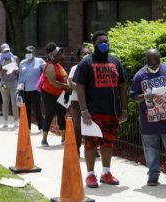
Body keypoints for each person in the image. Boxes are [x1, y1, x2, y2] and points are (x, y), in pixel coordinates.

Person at [73, 30, 127, 188]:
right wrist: (84, 111)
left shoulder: (115, 61)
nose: (105, 44)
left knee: (108, 143)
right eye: (101, 42)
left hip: (112, 112)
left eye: (106, 41)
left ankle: (106, 173)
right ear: (95, 45)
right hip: (93, 113)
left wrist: (124, 109)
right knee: (90, 144)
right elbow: (80, 87)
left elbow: (122, 86)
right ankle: (90, 175)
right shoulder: (86, 62)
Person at [130, 49, 166, 186]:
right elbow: (134, 96)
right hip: (148, 121)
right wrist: (144, 96)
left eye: (156, 62)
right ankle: (153, 176)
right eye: (151, 63)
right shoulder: (140, 75)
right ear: (146, 60)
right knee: (150, 149)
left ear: (160, 59)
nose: (154, 65)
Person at [40, 42, 69, 146]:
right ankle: (44, 140)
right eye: (59, 54)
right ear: (52, 56)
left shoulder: (58, 65)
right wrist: (66, 86)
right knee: (49, 115)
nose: (61, 56)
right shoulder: (50, 66)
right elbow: (53, 82)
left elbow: (64, 78)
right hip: (50, 94)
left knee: (62, 116)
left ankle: (63, 139)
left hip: (61, 94)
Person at [68, 45, 91, 156]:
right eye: (84, 53)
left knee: (91, 124)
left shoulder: (93, 67)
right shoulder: (75, 68)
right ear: (79, 56)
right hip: (76, 100)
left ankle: (91, 148)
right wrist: (82, 91)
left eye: (88, 53)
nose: (86, 55)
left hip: (91, 100)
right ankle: (75, 149)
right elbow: (70, 82)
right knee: (78, 125)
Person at [18, 46, 45, 131]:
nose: (28, 54)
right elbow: (20, 77)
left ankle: (41, 127)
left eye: (30, 52)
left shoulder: (40, 61)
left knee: (37, 109)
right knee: (25, 110)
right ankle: (27, 128)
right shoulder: (22, 62)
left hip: (35, 90)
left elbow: (46, 72)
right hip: (24, 90)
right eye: (27, 52)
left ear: (34, 53)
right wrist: (18, 89)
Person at [0, 43, 19, 128]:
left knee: (14, 102)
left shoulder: (15, 58)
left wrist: (16, 71)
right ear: (2, 51)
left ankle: (16, 120)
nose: (7, 52)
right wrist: (3, 71)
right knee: (5, 102)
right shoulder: (0, 60)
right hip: (4, 82)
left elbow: (18, 71)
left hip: (14, 82)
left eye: (8, 50)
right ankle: (5, 120)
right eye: (5, 51)